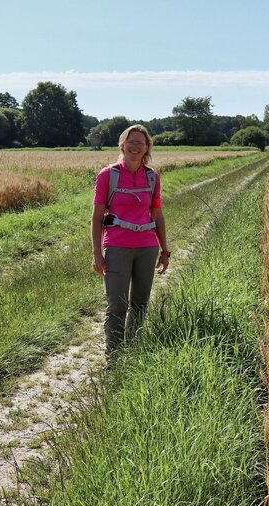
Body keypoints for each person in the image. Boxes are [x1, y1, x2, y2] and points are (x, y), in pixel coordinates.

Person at [91, 124, 170, 354]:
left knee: (140, 304)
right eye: (131, 141)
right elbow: (96, 218)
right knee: (116, 304)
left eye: (140, 143)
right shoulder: (108, 175)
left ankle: (133, 354)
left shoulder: (153, 177)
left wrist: (165, 251)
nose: (135, 147)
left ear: (147, 148)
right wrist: (97, 253)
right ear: (122, 145)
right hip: (117, 246)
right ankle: (114, 357)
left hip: (147, 248)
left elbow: (157, 215)